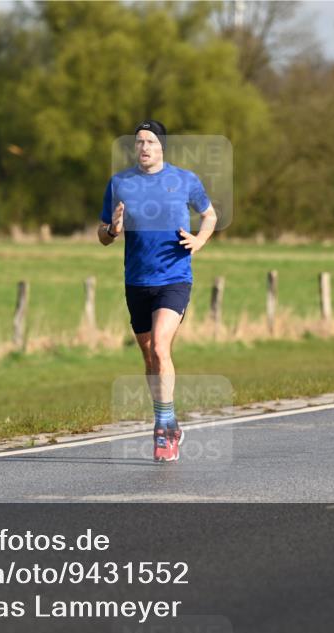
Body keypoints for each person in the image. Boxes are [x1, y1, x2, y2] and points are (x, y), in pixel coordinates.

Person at [98, 120, 217, 462]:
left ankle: (163, 430)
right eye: (138, 142)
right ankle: (168, 418)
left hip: (174, 277)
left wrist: (200, 239)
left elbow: (209, 215)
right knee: (149, 356)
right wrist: (112, 229)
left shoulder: (184, 180)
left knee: (162, 348)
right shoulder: (120, 183)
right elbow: (102, 235)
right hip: (137, 280)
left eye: (150, 141)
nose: (144, 147)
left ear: (162, 146)